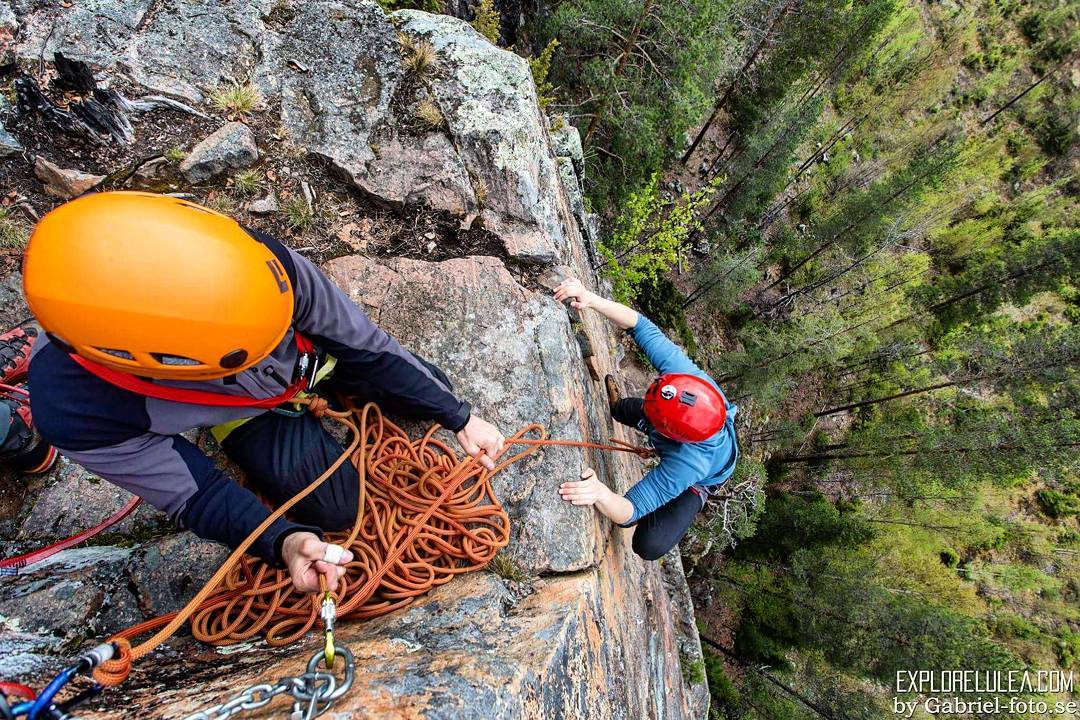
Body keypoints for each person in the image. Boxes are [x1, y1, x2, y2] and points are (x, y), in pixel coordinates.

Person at [21, 191, 505, 593]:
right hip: (242, 413)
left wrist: (459, 415)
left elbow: (367, 346)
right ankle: (254, 416)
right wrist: (285, 543)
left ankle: (330, 388)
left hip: (314, 362)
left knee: (429, 384)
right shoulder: (74, 410)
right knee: (338, 510)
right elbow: (196, 495)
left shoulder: (250, 261)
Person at [553, 278, 739, 561]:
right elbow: (639, 326)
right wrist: (590, 298)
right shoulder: (691, 382)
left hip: (702, 479)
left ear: (670, 434)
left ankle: (675, 498)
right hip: (687, 429)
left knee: (648, 544)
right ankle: (624, 409)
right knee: (622, 410)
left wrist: (600, 493)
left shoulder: (688, 465)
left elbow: (628, 510)